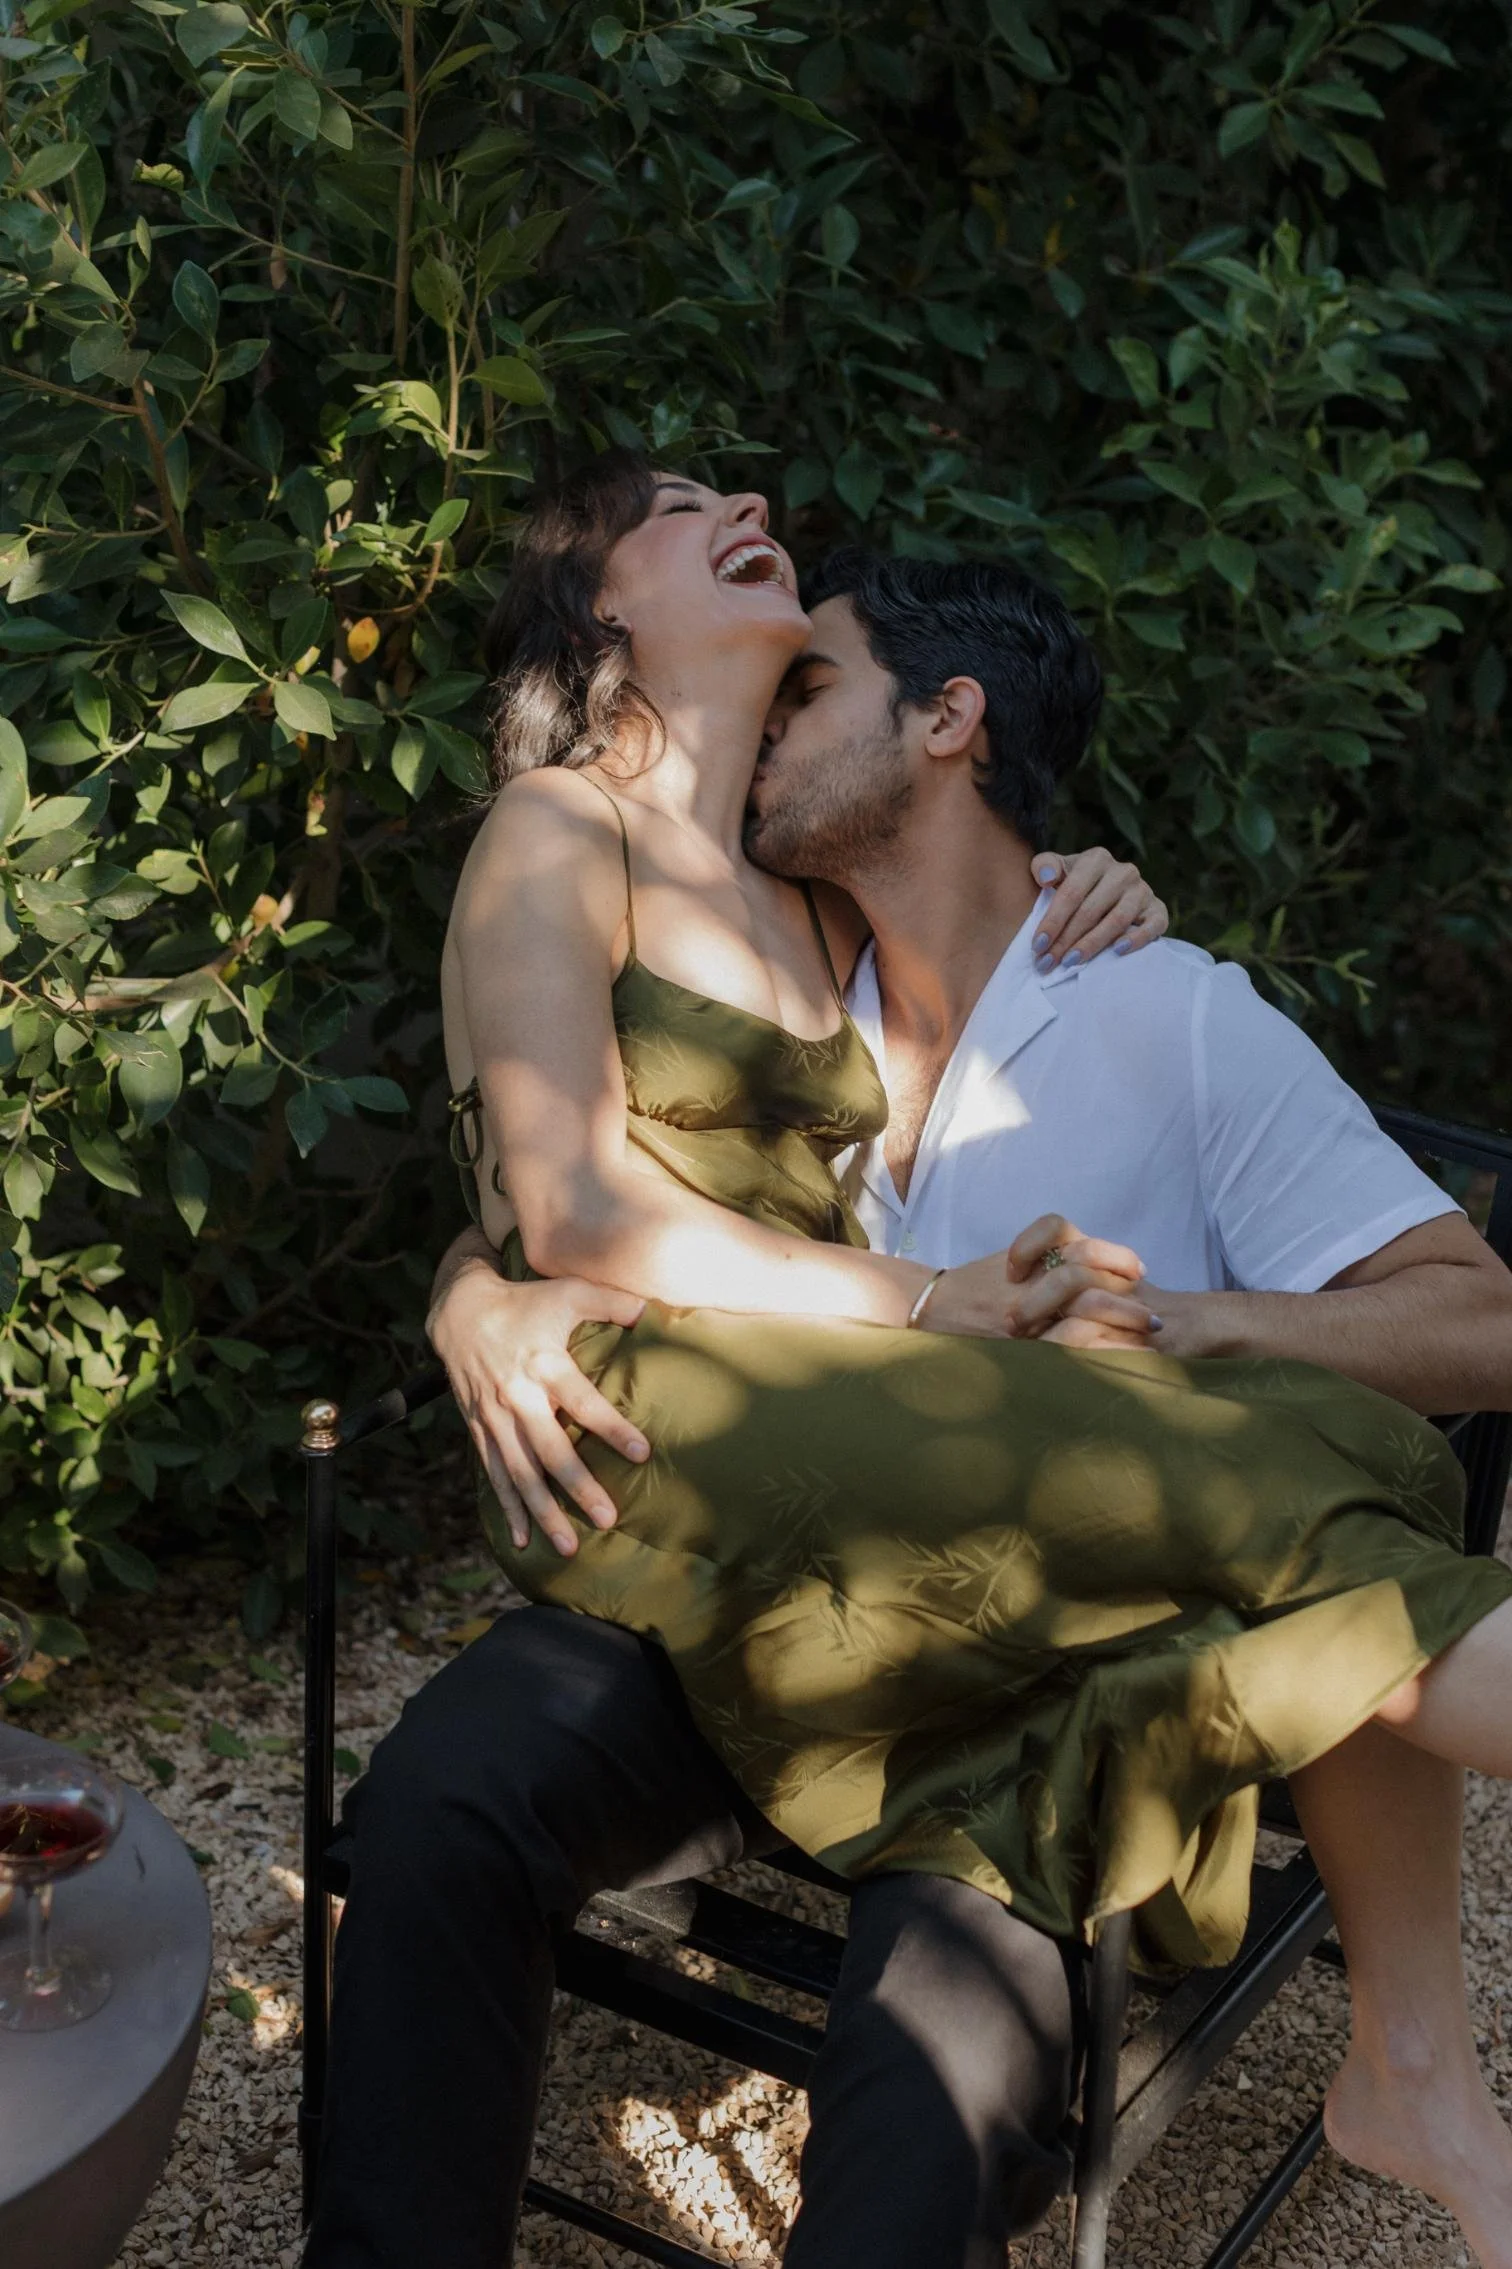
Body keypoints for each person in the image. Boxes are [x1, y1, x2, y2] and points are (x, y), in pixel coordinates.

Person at [305, 458, 1512, 2269]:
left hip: (980, 1642)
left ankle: (1409, 2043)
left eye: (819, 693)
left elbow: (1475, 1315)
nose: (748, 498)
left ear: (948, 729)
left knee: (939, 2047)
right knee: (441, 1804)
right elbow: (563, 1174)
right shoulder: (664, 861)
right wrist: (474, 1290)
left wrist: (1157, 1291)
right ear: (598, 613)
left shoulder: (1032, 965)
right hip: (737, 1537)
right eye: (677, 501)